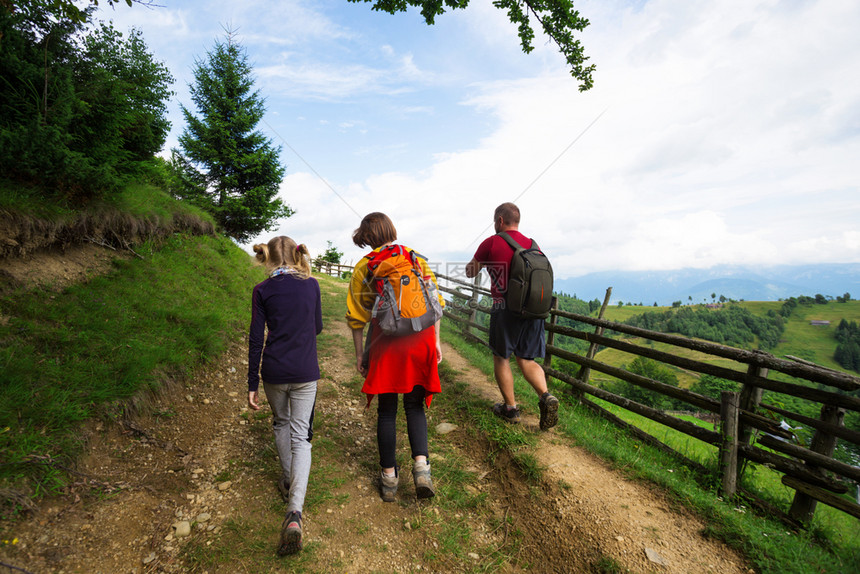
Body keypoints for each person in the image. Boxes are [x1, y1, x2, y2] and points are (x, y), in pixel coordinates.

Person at [347, 212, 444, 502]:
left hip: (386, 341)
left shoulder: (365, 266)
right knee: (415, 406)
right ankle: (421, 469)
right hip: (421, 338)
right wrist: (436, 342)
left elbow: (357, 316)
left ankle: (389, 479)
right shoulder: (415, 258)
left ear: (367, 238)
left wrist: (360, 354)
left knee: (387, 410)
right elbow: (435, 302)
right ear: (391, 230)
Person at [247, 236, 323, 556]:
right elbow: (317, 327)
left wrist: (251, 382)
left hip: (274, 372)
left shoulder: (262, 290)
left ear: (268, 258)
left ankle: (291, 479)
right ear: (296, 254)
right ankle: (294, 513)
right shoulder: (312, 285)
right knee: (301, 436)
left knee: (281, 423)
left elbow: (255, 339)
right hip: (306, 372)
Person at [466, 202, 559, 430]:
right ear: (517, 220)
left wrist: (484, 261)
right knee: (527, 360)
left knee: (502, 357)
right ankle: (546, 396)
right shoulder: (534, 245)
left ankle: (511, 409)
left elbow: (470, 272)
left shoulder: (491, 243)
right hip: (534, 310)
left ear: (499, 221)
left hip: (504, 308)